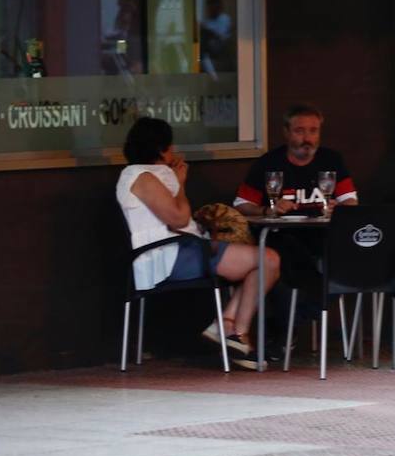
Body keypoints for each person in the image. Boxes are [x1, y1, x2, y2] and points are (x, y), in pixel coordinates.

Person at [116, 116, 279, 369]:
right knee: (268, 260)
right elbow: (179, 219)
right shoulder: (146, 176)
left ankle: (228, 326)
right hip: (170, 257)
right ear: (161, 149)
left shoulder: (138, 175)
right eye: (170, 147)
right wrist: (180, 184)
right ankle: (234, 332)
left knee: (264, 261)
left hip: (179, 251)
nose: (174, 154)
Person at [234, 103, 357, 220]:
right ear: (286, 132)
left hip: (325, 233)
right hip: (281, 234)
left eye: (313, 131)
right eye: (299, 131)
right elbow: (242, 205)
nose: (307, 138)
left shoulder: (331, 159)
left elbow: (350, 200)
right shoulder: (267, 162)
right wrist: (268, 210)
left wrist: (339, 209)